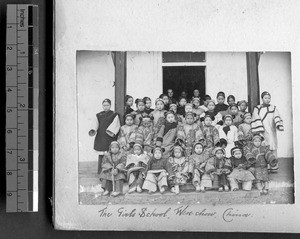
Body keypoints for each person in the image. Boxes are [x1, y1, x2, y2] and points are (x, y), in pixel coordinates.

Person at [251, 91, 284, 172]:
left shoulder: (273, 108)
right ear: (262, 98)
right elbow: (255, 117)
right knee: (264, 147)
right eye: (265, 98)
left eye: (269, 98)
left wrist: (278, 124)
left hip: (271, 129)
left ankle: (274, 166)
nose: (267, 99)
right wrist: (259, 128)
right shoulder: (257, 108)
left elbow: (277, 116)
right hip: (262, 130)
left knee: (272, 147)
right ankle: (265, 166)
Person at [89, 99, 121, 174]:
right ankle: (100, 171)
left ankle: (110, 171)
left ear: (110, 105)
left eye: (107, 105)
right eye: (104, 105)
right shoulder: (99, 115)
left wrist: (110, 131)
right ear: (102, 106)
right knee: (101, 154)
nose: (106, 107)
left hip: (110, 136)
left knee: (111, 153)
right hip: (101, 136)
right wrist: (93, 129)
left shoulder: (114, 114)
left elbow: (116, 124)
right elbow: (95, 124)